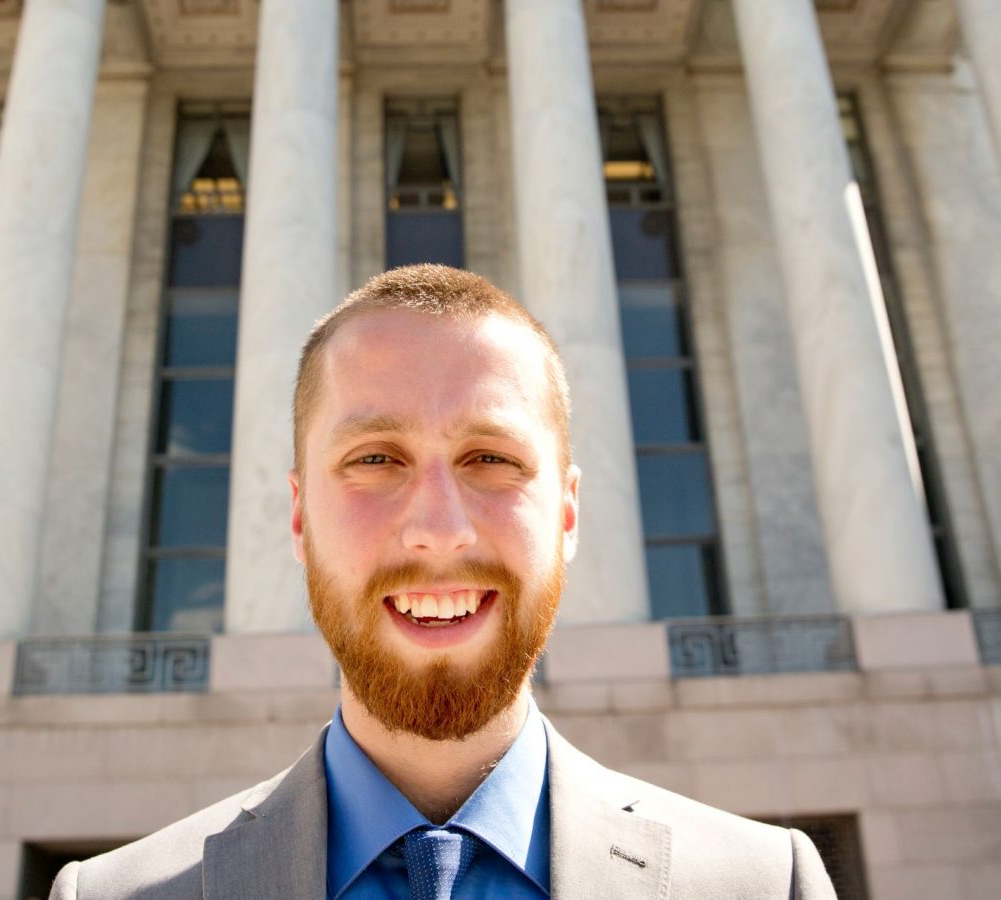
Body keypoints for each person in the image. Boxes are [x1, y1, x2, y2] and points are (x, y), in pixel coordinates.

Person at [50, 265, 836, 899]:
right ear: (298, 518)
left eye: (490, 459)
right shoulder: (110, 895)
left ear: (566, 515)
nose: (438, 528)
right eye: (376, 460)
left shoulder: (765, 884)